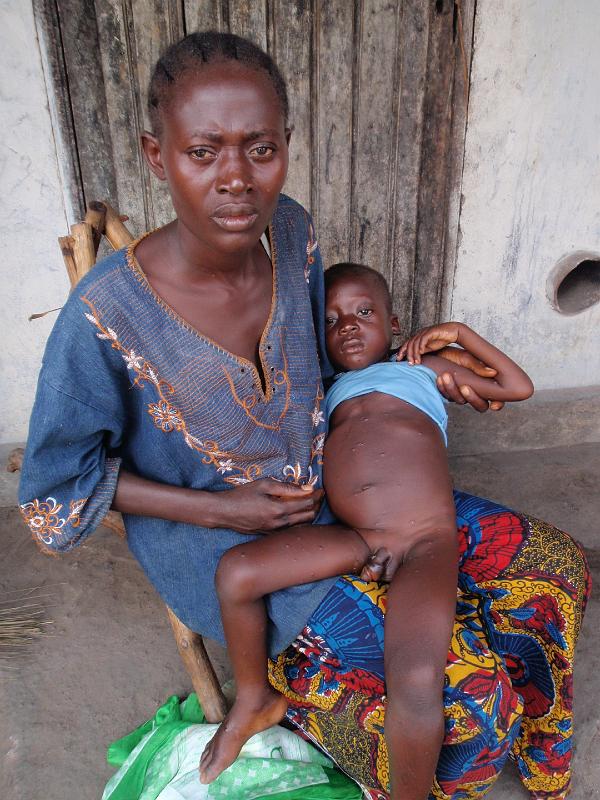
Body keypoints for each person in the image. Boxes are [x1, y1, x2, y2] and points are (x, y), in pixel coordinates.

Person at [18, 31, 590, 800]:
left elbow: (317, 365)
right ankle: (319, 699)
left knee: (553, 564)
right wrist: (222, 512)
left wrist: (409, 376)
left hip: (347, 495)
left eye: (259, 149)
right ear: (159, 157)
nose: (236, 180)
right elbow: (57, 491)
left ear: (286, 146)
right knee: (464, 718)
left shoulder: (292, 233)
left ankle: (517, 721)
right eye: (203, 152)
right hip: (226, 546)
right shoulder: (104, 319)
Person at [199, 262, 534, 790]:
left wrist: (459, 334)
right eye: (331, 320)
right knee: (237, 573)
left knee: (417, 676)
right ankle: (253, 697)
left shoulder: (423, 370)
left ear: (394, 323)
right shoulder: (323, 392)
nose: (348, 326)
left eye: (363, 311)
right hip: (362, 538)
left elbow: (517, 386)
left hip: (424, 540)